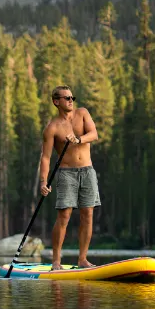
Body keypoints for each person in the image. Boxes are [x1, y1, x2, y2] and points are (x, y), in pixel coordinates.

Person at [39, 85, 99, 270]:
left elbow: (94, 134)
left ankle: (82, 259)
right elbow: (46, 157)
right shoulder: (52, 128)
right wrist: (43, 181)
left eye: (72, 97)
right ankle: (56, 261)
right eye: (66, 98)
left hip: (87, 171)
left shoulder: (82, 114)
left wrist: (79, 139)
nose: (71, 100)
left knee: (87, 214)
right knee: (64, 216)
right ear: (56, 102)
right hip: (66, 174)